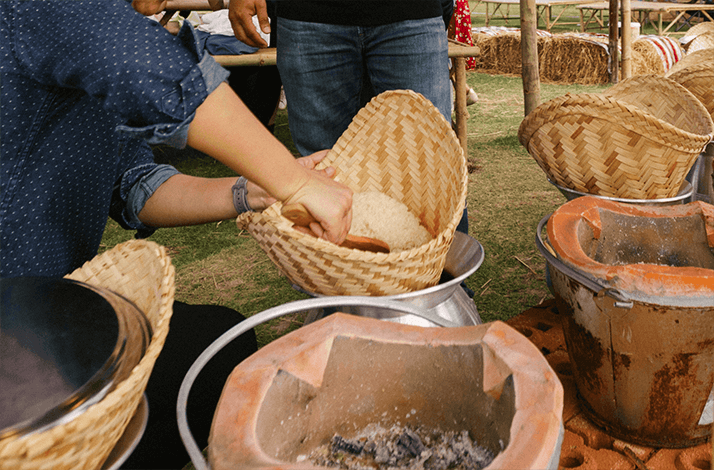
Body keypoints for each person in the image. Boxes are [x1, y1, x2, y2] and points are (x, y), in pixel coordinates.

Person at [1, 0, 352, 468]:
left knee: (220, 344)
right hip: (15, 322)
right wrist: (297, 181)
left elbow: (135, 186)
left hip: (46, 310)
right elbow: (144, 63)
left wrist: (254, 190)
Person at [228, 0, 473, 267]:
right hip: (307, 15)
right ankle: (336, 298)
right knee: (323, 171)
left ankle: (448, 292)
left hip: (411, 10)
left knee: (434, 167)